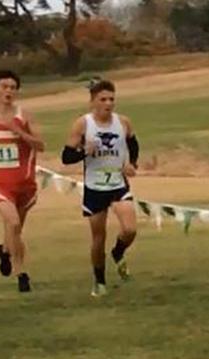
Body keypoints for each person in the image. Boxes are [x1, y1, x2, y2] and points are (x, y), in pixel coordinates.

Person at [61, 80, 139, 297]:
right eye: (103, 99)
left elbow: (133, 143)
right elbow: (66, 157)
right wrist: (85, 151)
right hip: (95, 187)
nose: (108, 104)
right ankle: (99, 280)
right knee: (98, 237)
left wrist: (132, 163)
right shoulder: (83, 124)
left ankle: (118, 251)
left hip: (117, 183)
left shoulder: (123, 122)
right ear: (92, 102)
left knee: (130, 229)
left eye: (112, 99)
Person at [0, 69, 45, 293]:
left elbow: (40, 145)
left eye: (13, 87)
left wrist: (19, 132)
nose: (9, 91)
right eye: (5, 87)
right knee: (12, 223)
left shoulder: (25, 116)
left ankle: (4, 251)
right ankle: (21, 274)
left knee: (15, 231)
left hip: (24, 181)